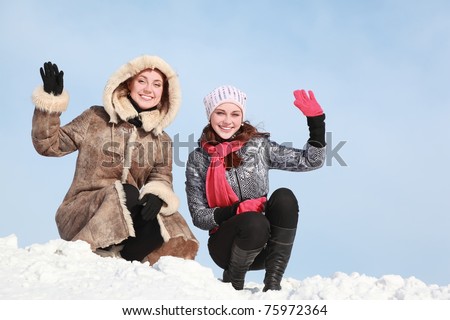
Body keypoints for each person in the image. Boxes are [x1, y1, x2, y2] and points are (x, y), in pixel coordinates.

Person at [31, 55, 199, 265]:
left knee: (164, 218)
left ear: (164, 93)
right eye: (142, 81)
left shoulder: (161, 140)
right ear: (129, 84)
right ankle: (94, 251)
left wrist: (157, 195)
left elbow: (162, 177)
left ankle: (123, 262)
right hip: (83, 213)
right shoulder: (95, 118)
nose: (149, 89)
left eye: (157, 84)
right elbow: (49, 145)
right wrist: (50, 105)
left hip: (127, 221)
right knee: (126, 191)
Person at [185, 85, 326, 291]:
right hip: (225, 246)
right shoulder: (198, 159)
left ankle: (273, 282)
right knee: (253, 220)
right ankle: (234, 279)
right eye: (220, 113)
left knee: (284, 197)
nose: (227, 121)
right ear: (210, 116)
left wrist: (316, 123)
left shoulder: (259, 146)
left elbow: (310, 161)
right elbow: (199, 217)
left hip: (265, 245)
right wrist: (235, 211)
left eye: (235, 114)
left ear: (241, 117)